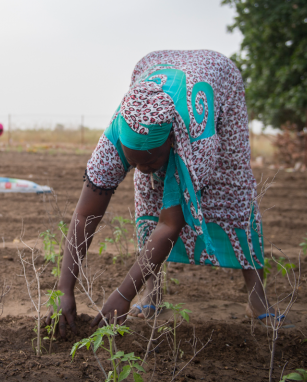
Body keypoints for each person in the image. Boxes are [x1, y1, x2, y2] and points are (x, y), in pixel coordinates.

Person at [49, 49, 274, 337]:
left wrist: (123, 294)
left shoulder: (197, 139)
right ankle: (152, 294)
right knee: (148, 195)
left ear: (172, 140)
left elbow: (171, 223)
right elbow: (84, 214)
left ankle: (258, 298)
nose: (142, 169)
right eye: (134, 162)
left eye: (151, 160)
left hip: (217, 79)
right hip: (154, 66)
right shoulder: (117, 134)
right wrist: (64, 290)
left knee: (234, 189)